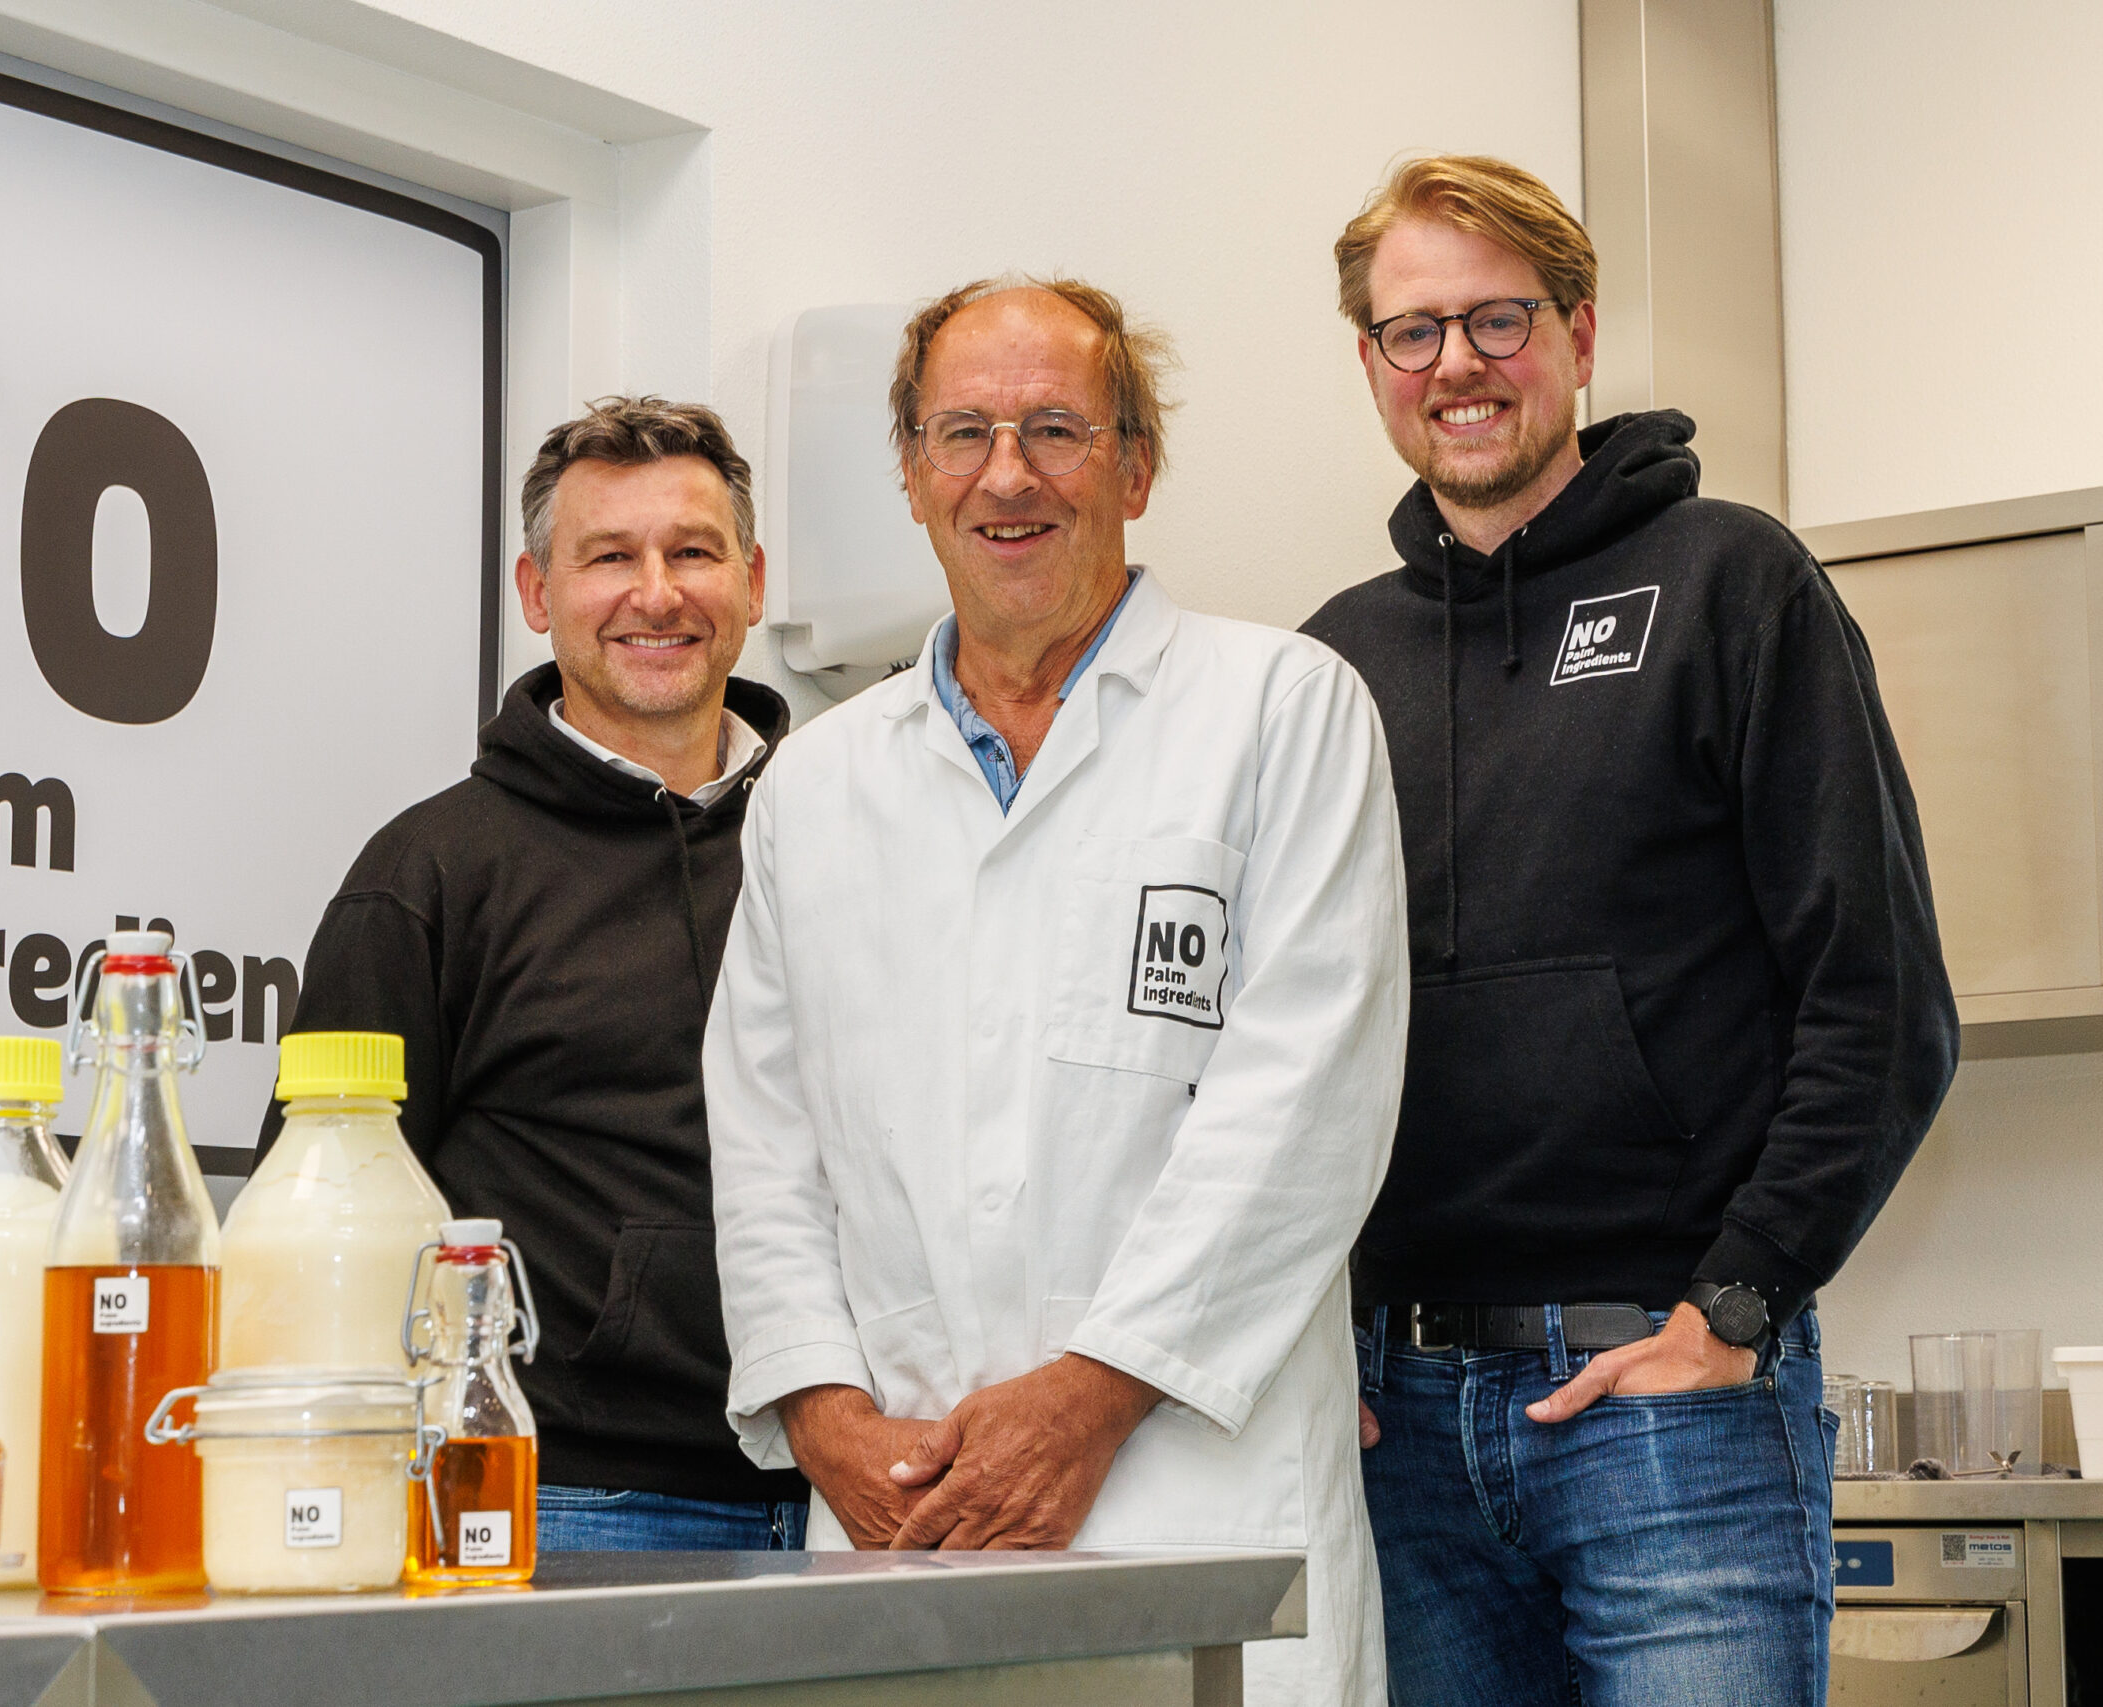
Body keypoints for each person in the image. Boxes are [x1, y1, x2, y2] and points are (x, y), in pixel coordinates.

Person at [1301, 156, 1959, 1703]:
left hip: (1672, 1404)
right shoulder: (1329, 664)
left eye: (1498, 318)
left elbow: (1879, 1001)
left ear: (1580, 333)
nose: (1456, 363)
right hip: (1402, 1429)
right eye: (1412, 330)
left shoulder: (1734, 581)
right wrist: (1309, 1341)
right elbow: (1283, 1048)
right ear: (1371, 362)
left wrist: (1736, 1304)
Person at [704, 277, 1409, 1705]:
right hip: (902, 1515)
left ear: (1134, 468)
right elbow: (765, 1142)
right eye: (962, 432)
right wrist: (823, 1415)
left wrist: (1092, 1395)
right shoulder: (814, 784)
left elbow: (1303, 1107)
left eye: (1055, 429)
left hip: (1197, 1502)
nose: (1006, 474)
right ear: (913, 474)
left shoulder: (1283, 709)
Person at [276, 396, 808, 1550]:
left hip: (849, 1494)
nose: (656, 595)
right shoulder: (428, 875)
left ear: (753, 582)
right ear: (535, 592)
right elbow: (316, 1223)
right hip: (562, 1499)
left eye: (693, 552)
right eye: (608, 557)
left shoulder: (838, 835)